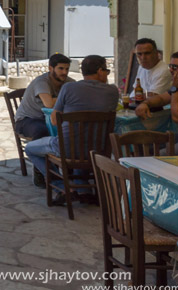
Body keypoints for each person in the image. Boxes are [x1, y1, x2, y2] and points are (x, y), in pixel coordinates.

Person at [24, 55, 118, 196]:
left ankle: (61, 186)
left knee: (30, 149)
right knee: (84, 146)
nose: (106, 74)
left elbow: (55, 120)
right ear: (99, 71)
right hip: (98, 149)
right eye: (106, 71)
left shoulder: (69, 88)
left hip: (67, 149)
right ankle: (83, 189)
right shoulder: (113, 91)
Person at [137, 49, 178, 153]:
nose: (171, 70)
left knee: (162, 155)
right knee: (142, 147)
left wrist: (176, 88)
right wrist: (145, 103)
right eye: (170, 66)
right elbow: (161, 99)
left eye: (175, 67)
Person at [14, 54, 73, 141]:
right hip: (27, 120)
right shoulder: (41, 81)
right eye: (61, 68)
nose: (64, 72)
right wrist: (67, 98)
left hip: (52, 119)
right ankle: (38, 154)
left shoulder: (69, 82)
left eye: (67, 69)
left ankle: (61, 153)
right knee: (42, 131)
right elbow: (49, 104)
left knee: (75, 129)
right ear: (50, 68)